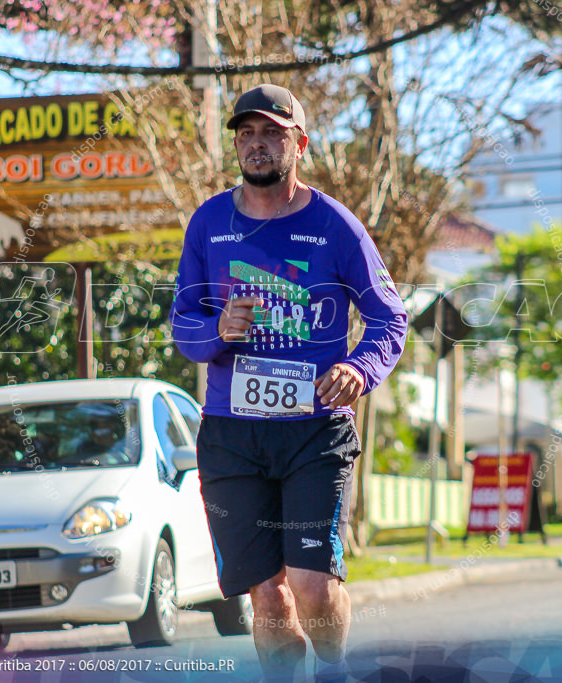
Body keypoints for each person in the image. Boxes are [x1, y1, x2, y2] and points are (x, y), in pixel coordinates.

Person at [170, 84, 407, 683]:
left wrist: (359, 367)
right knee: (269, 598)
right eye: (246, 133)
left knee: (311, 588)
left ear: (298, 143)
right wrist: (218, 329)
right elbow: (183, 324)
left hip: (314, 433)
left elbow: (388, 316)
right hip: (232, 434)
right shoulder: (208, 223)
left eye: (271, 132)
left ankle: (335, 668)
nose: (256, 144)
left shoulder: (334, 225)